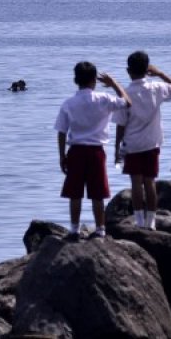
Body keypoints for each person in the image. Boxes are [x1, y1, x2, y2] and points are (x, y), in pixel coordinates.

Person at [55, 61, 131, 240]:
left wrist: (61, 156)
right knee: (98, 193)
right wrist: (114, 84)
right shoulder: (103, 98)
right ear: (94, 80)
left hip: (76, 151)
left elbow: (61, 132)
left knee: (75, 193)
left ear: (76, 80)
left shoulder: (69, 103)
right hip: (96, 152)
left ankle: (74, 230)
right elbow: (127, 103)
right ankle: (100, 230)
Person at [113, 51, 171, 230]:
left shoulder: (125, 94)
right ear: (147, 69)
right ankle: (151, 222)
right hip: (152, 142)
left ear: (128, 71)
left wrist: (116, 149)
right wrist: (159, 73)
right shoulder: (156, 88)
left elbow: (120, 125)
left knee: (136, 183)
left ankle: (139, 220)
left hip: (132, 144)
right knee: (150, 182)